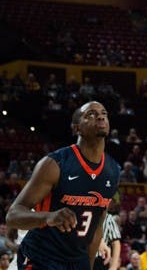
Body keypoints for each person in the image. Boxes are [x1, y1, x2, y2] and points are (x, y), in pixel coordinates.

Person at [6, 100, 121, 270]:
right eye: (91, 114)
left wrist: (87, 265)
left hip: (77, 261)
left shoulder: (113, 170)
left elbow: (97, 225)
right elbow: (12, 216)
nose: (100, 116)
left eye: (104, 113)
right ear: (77, 128)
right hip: (42, 257)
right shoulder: (54, 164)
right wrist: (47, 217)